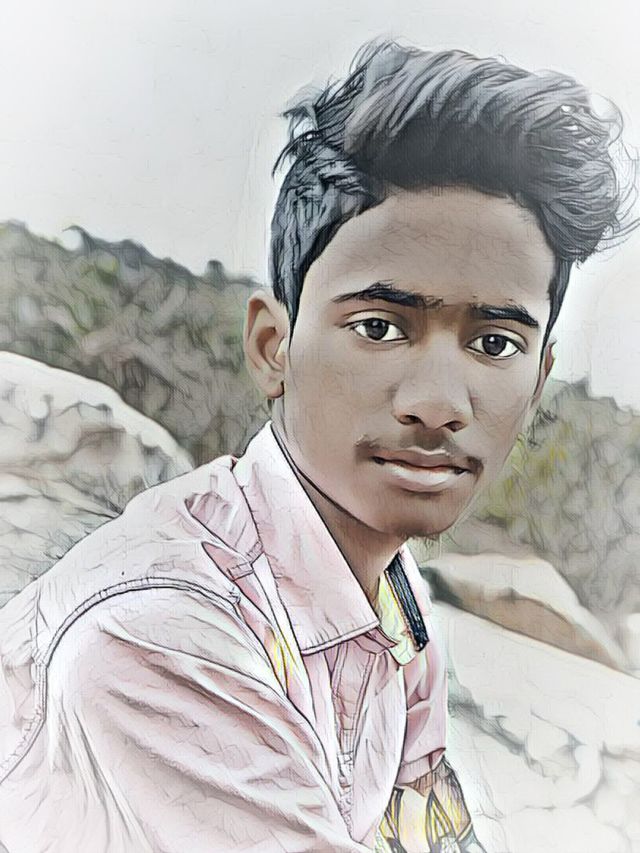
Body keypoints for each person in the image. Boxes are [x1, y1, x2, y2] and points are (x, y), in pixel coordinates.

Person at [0, 39, 633, 853]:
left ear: (539, 378)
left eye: (495, 344)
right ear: (274, 346)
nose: (439, 404)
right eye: (380, 327)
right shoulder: (160, 635)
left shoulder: (389, 595)